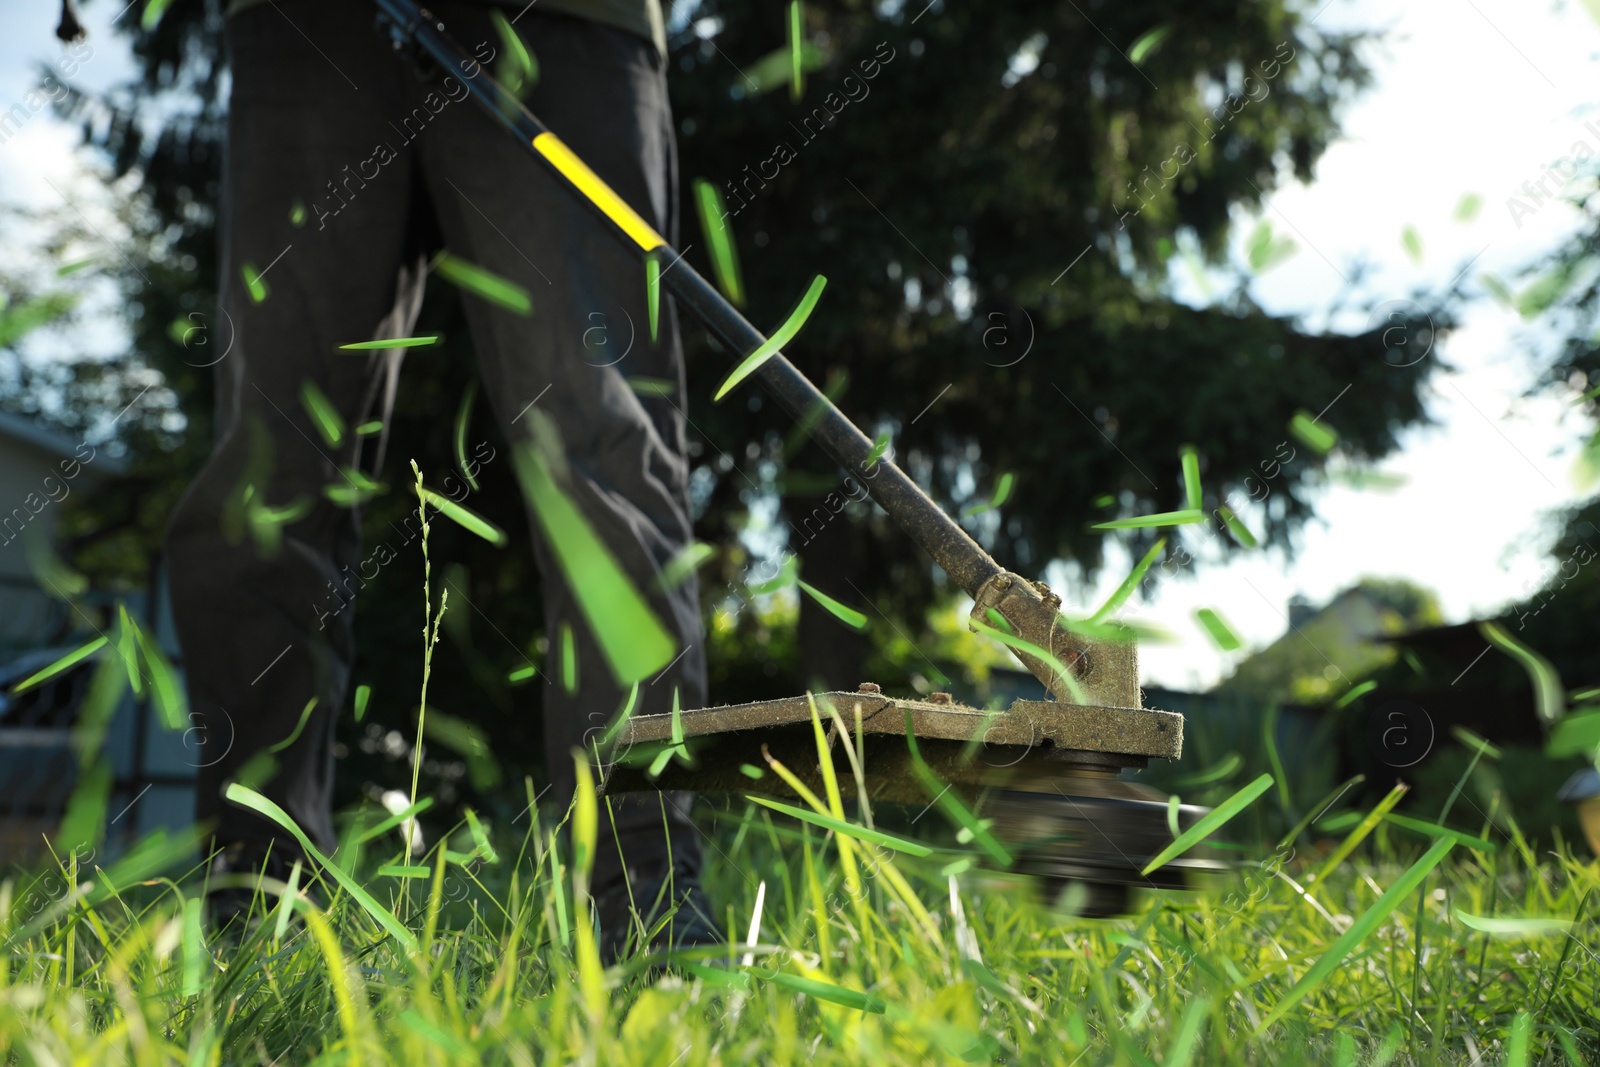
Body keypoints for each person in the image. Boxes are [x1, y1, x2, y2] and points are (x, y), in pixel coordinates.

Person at [143, 0, 713, 956]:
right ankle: (256, 904)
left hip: (566, 21)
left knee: (607, 456)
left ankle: (650, 907)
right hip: (307, 29)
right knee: (271, 468)